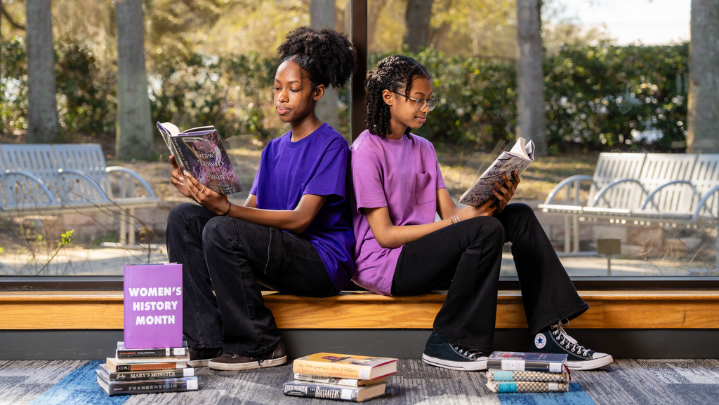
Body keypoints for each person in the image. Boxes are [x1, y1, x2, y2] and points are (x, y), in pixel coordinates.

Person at [350, 55, 613, 371]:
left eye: (429, 101)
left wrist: (494, 201)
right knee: (484, 230)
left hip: (423, 253)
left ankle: (548, 334)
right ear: (388, 97)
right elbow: (386, 236)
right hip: (387, 265)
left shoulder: (423, 148)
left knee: (518, 216)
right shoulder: (365, 151)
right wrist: (464, 221)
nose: (425, 108)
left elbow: (449, 212)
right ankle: (448, 341)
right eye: (417, 100)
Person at [166, 27, 356, 371]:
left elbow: (301, 220)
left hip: (320, 262)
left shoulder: (333, 146)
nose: (282, 97)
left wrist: (225, 210)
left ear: (318, 92)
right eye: (277, 89)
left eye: (293, 89)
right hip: (278, 251)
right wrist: (201, 194)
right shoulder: (273, 149)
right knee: (184, 219)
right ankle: (206, 340)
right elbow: (249, 211)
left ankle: (260, 344)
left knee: (221, 230)